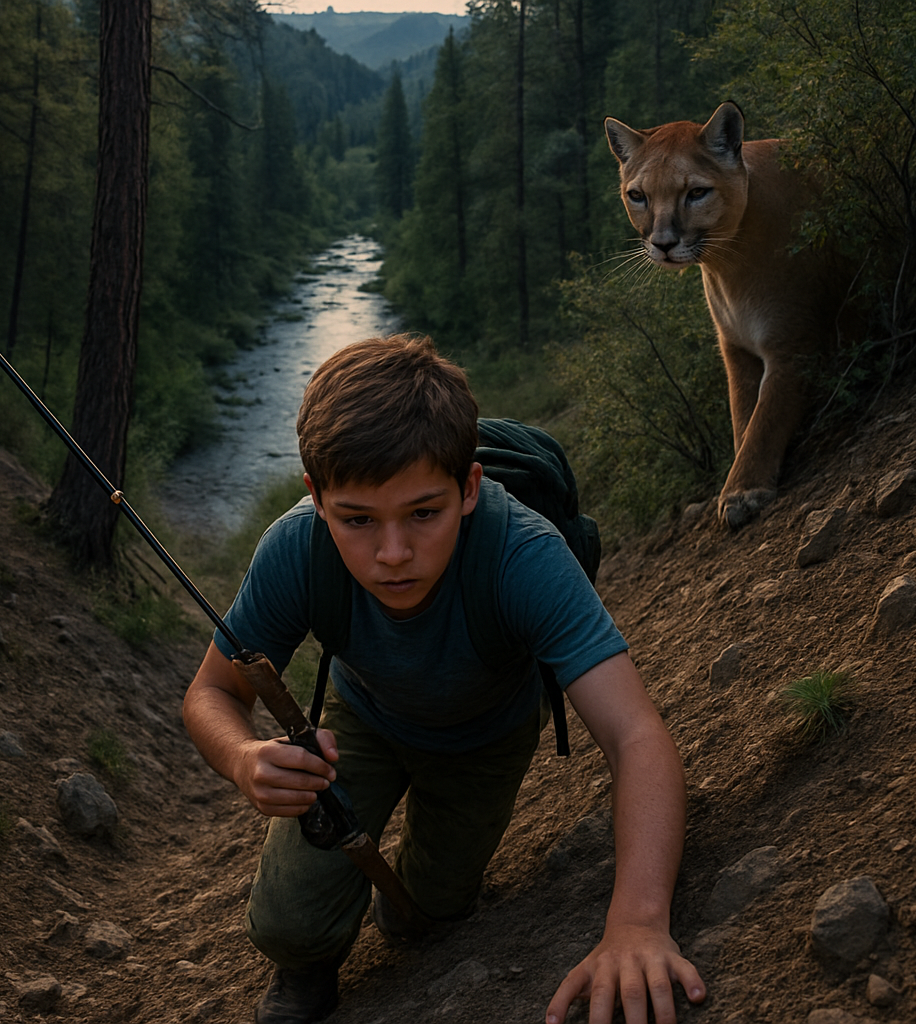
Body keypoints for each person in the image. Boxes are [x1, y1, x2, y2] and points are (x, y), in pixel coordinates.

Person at [182, 334, 706, 1024]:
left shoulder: (526, 557)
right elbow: (212, 693)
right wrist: (244, 757)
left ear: (469, 488)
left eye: (423, 514)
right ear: (316, 494)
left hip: (487, 735)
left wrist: (639, 923)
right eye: (357, 520)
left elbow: (635, 734)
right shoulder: (295, 548)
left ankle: (410, 897)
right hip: (362, 718)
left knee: (430, 914)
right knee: (287, 926)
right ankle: (308, 964)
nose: (392, 554)